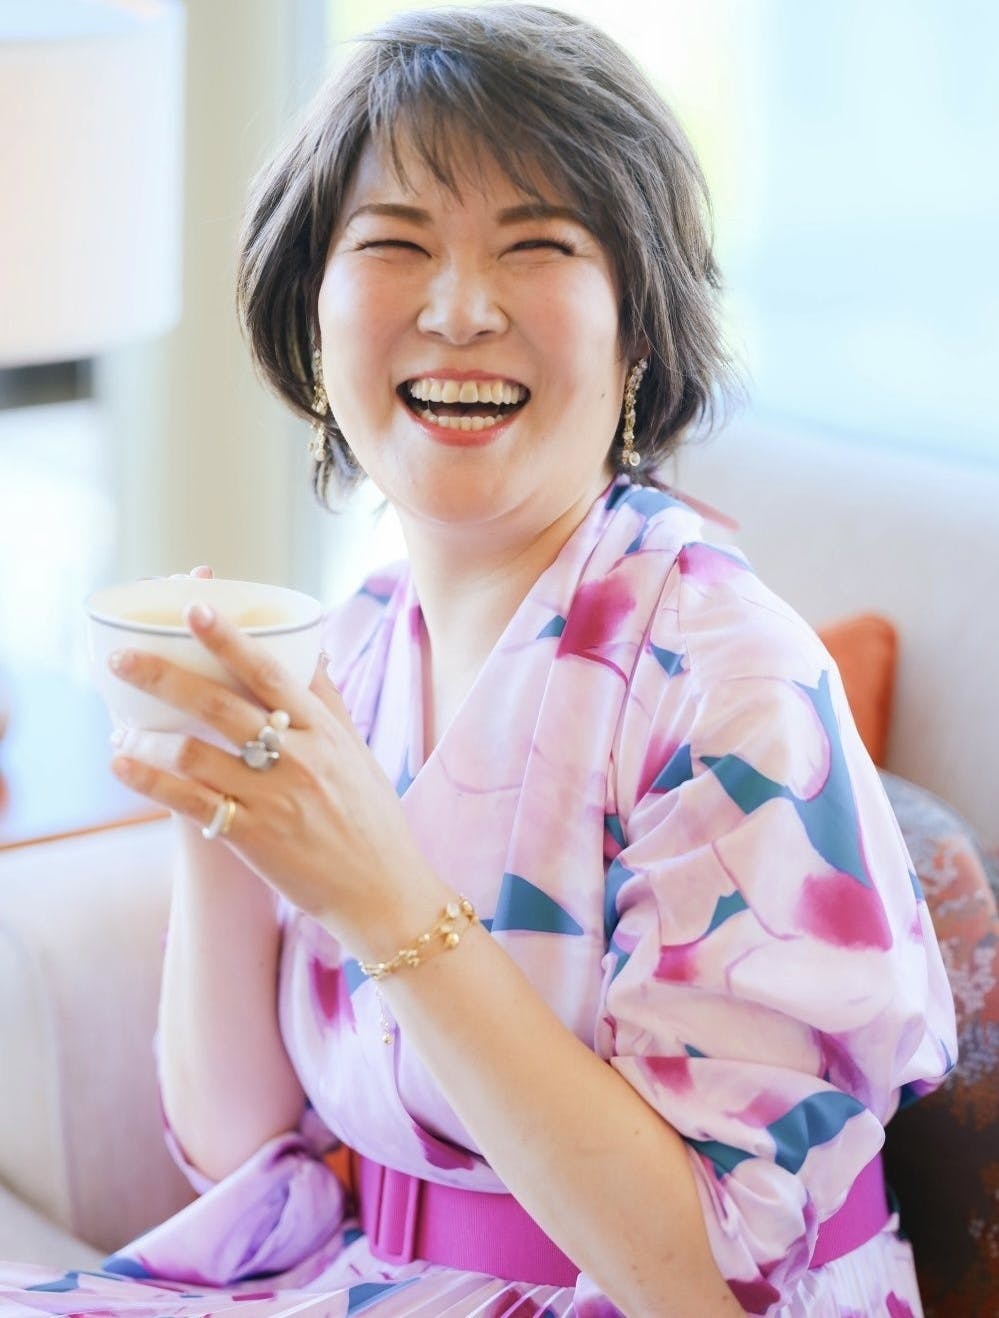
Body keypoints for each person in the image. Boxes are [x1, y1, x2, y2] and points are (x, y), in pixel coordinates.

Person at [0, 5, 955, 1316]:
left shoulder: (730, 681)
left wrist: (382, 893)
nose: (457, 309)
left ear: (636, 330)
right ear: (313, 316)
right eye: (394, 244)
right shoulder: (353, 646)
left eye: (537, 245)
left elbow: (719, 1276)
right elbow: (238, 1153)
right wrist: (219, 817)